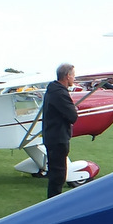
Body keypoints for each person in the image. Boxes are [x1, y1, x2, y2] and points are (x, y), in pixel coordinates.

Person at [41, 63, 79, 199]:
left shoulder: (52, 90)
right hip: (58, 138)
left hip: (51, 136)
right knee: (59, 174)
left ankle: (52, 199)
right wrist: (73, 111)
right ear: (67, 76)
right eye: (73, 75)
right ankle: (54, 201)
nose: (74, 78)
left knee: (55, 172)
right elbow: (73, 116)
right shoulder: (60, 93)